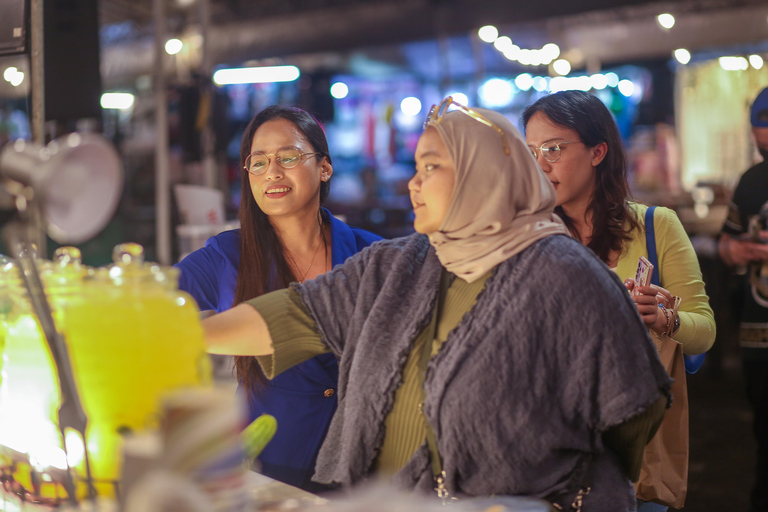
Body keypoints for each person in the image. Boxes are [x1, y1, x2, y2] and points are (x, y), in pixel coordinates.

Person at [202, 98, 671, 511]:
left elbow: (632, 413)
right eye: (415, 168)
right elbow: (297, 313)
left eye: (431, 168)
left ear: (482, 173)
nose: (412, 184)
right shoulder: (398, 264)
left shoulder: (567, 275)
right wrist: (186, 333)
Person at [523, 90, 716, 511]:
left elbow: (704, 332)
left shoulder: (655, 226)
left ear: (598, 152)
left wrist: (665, 319)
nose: (540, 164)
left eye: (553, 148)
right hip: (552, 454)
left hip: (636, 451)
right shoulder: (528, 241)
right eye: (532, 150)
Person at [175, 105, 381, 491]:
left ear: (324, 167)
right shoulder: (227, 256)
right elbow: (158, 302)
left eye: (288, 157)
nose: (273, 172)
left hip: (361, 467)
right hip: (270, 466)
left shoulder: (373, 256)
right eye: (258, 162)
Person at [718, 86, 768, 512]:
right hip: (759, 336)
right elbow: (726, 242)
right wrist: (737, 251)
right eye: (761, 126)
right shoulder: (752, 180)